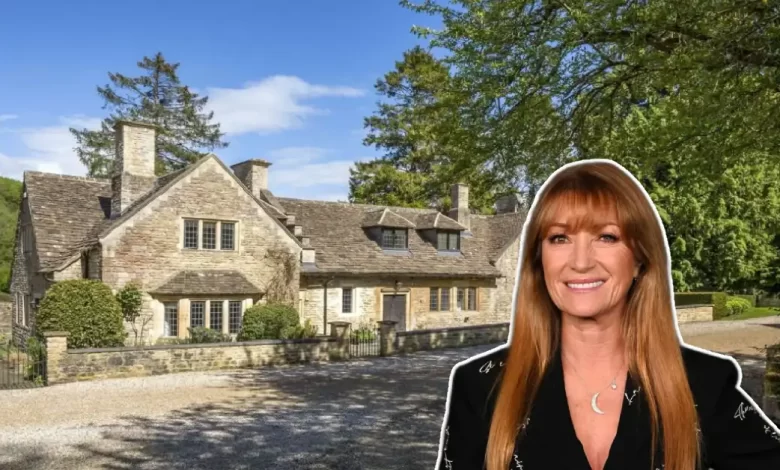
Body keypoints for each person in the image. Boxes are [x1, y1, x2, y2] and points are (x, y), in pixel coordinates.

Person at [435, 159, 780, 470]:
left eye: (606, 236)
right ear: (539, 262)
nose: (581, 262)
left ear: (640, 259)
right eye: (560, 238)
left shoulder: (703, 385)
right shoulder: (481, 387)